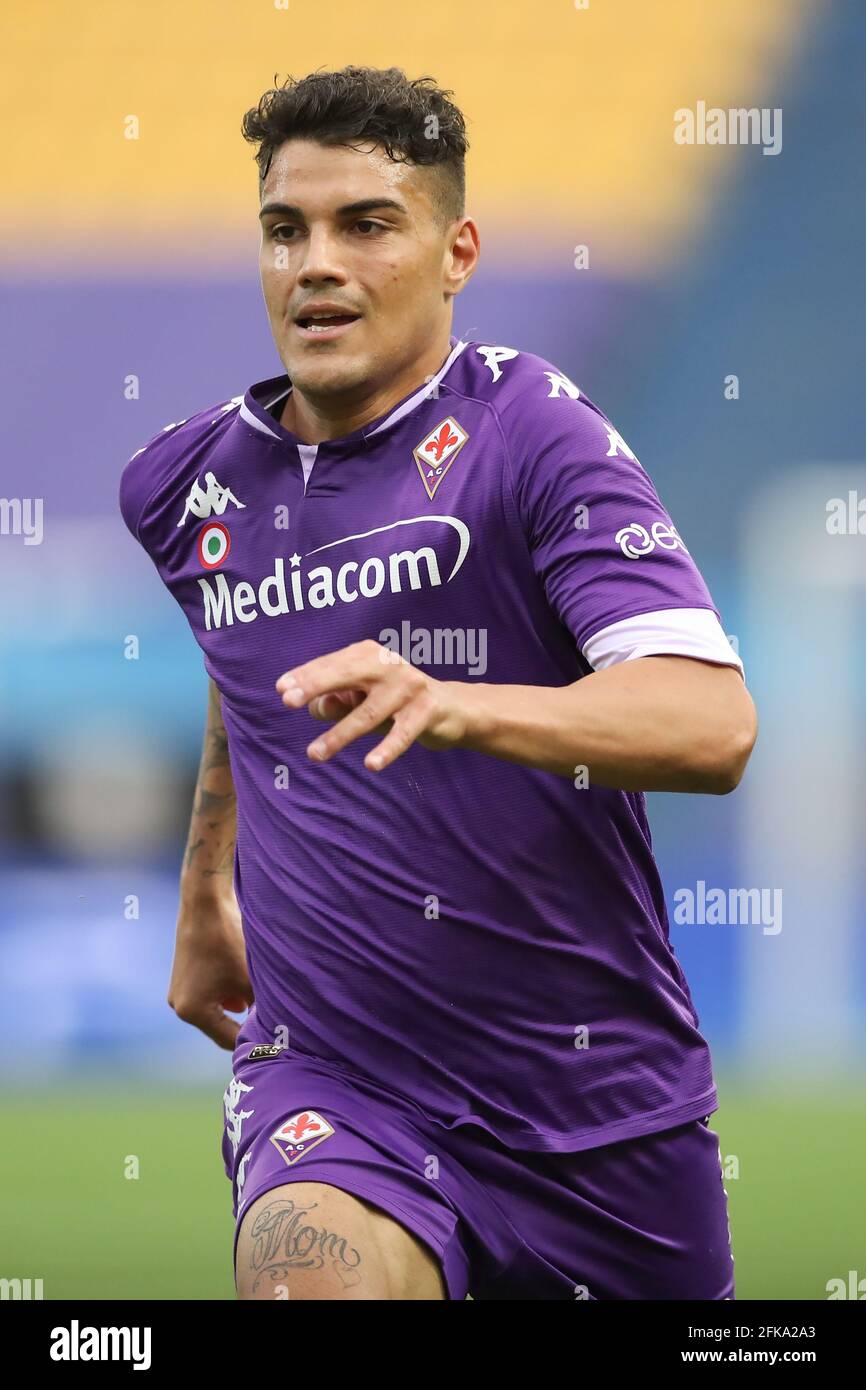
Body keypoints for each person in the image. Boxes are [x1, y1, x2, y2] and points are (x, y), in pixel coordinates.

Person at [118, 65, 757, 1300]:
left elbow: (708, 723)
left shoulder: (534, 435)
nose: (315, 263)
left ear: (455, 250)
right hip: (335, 1080)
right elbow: (241, 653)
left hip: (597, 1110)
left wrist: (461, 703)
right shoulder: (181, 484)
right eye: (284, 229)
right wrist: (206, 884)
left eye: (366, 225)